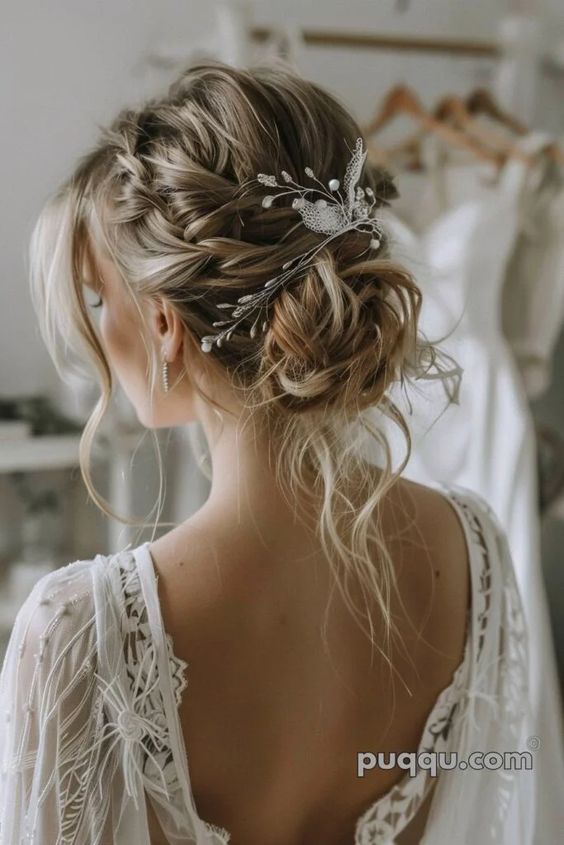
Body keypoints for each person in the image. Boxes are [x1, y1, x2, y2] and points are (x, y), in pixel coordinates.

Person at [0, 60, 537, 844]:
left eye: (96, 298)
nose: (92, 337)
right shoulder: (476, 556)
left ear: (163, 326)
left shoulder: (79, 633)